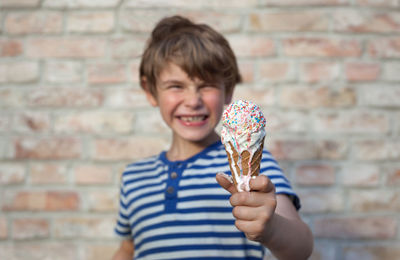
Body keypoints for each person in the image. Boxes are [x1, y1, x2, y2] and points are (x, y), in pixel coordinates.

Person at [112, 15, 313, 260]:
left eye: (206, 86)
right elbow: (128, 250)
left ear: (227, 90)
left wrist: (270, 229)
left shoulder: (251, 168)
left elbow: (301, 246)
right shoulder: (134, 177)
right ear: (150, 91)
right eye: (176, 86)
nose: (193, 101)